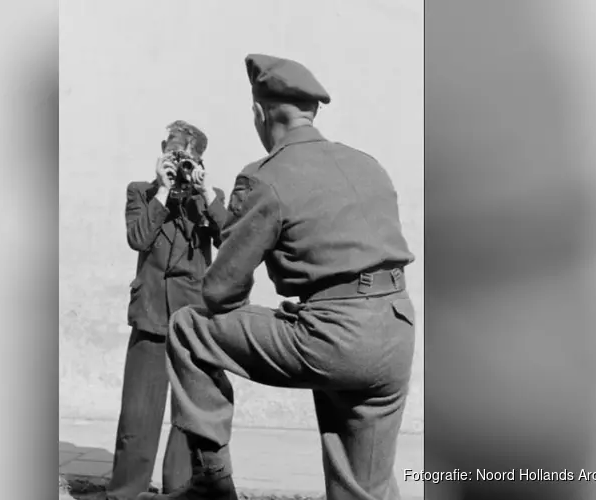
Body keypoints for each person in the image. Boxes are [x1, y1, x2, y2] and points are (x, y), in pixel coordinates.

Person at [138, 54, 416, 500]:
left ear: (260, 113)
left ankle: (210, 480)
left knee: (190, 327)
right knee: (364, 488)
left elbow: (220, 291)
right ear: (312, 112)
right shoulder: (368, 164)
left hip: (333, 336)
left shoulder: (264, 178)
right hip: (395, 331)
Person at [104, 120, 228, 499]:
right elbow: (138, 238)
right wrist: (160, 189)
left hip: (193, 319)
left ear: (200, 160)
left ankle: (181, 489)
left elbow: (231, 239)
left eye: (187, 157)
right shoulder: (140, 193)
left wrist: (206, 195)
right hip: (151, 312)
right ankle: (126, 492)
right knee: (138, 414)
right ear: (162, 149)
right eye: (173, 153)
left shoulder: (208, 199)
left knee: (189, 415)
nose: (179, 163)